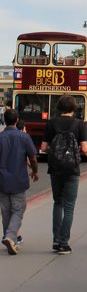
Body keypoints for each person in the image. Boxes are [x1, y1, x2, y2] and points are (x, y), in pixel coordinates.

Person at [40, 95, 87, 254]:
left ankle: (56, 239)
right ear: (74, 108)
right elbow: (84, 149)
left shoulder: (51, 123)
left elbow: (43, 147)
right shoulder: (79, 124)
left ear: (59, 107)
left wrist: (55, 152)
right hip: (72, 169)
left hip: (55, 169)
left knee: (57, 203)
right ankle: (64, 243)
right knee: (69, 206)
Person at [0, 109, 39, 255]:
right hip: (18, 180)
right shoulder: (24, 137)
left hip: (2, 180)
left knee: (6, 212)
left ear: (5, 120)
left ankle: (10, 240)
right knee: (18, 210)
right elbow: (33, 158)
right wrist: (35, 171)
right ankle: (10, 237)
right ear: (17, 120)